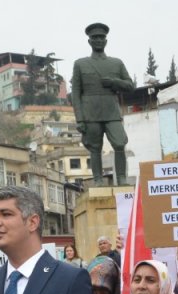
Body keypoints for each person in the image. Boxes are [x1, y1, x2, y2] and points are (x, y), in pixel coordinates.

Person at [70, 22, 134, 185]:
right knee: (95, 147)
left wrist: (114, 82)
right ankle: (98, 179)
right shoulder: (80, 64)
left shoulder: (116, 63)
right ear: (89, 41)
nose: (98, 40)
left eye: (101, 37)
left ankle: (121, 177)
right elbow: (76, 93)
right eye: (95, 38)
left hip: (112, 111)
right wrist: (80, 119)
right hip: (91, 113)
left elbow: (129, 85)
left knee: (119, 143)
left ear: (106, 41)